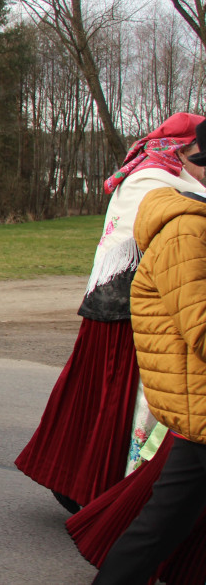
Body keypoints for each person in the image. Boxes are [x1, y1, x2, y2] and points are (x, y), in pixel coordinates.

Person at [15, 113, 206, 512]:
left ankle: (90, 487)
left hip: (125, 306)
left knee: (105, 402)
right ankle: (102, 492)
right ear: (179, 151)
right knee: (115, 403)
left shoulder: (154, 176)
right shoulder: (153, 180)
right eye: (198, 154)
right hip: (128, 313)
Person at [84, 182, 206, 583]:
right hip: (197, 398)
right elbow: (200, 328)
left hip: (197, 402)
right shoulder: (186, 232)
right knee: (161, 525)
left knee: (164, 524)